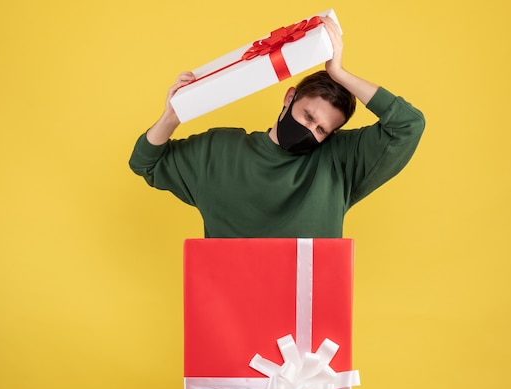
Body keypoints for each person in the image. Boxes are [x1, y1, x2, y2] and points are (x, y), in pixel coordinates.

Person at [129, 16, 425, 238]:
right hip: (228, 312)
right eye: (308, 116)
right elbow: (145, 162)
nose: (311, 130)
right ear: (289, 97)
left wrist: (339, 73)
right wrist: (172, 115)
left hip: (307, 314)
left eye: (322, 130)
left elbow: (408, 125)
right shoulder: (218, 150)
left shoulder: (339, 162)